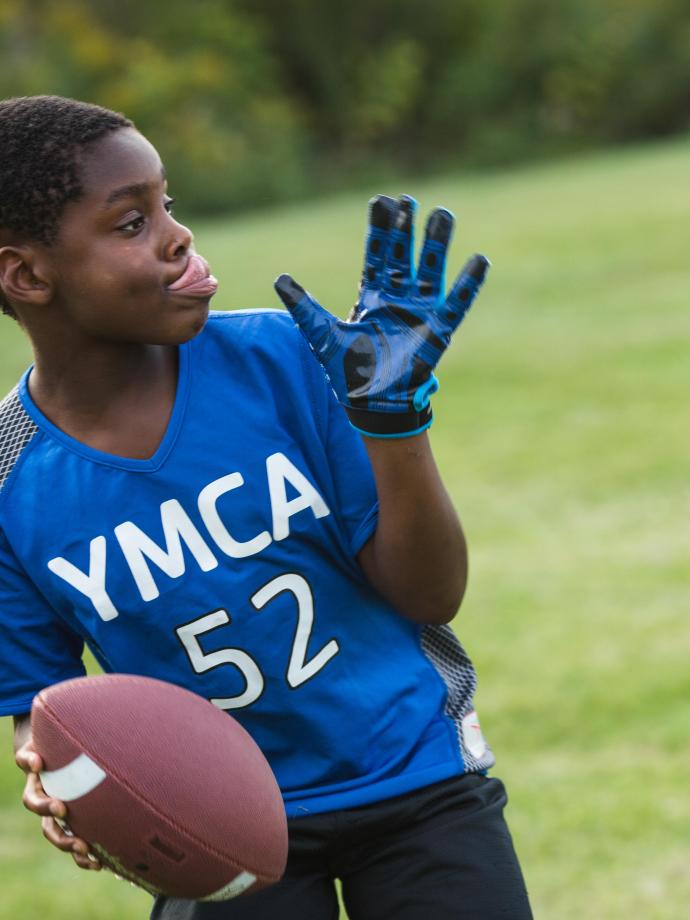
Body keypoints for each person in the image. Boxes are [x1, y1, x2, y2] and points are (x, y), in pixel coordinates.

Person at [0, 95, 532, 919]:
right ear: (29, 275)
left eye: (166, 204)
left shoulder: (284, 359)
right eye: (131, 223)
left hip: (416, 778)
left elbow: (432, 596)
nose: (178, 236)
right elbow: (41, 706)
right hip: (218, 827)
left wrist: (392, 426)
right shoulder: (8, 479)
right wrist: (61, 781)